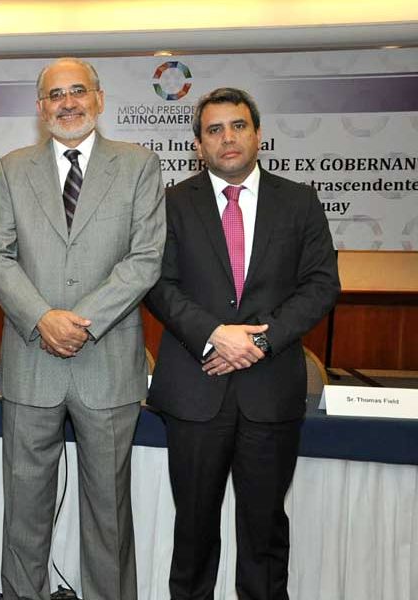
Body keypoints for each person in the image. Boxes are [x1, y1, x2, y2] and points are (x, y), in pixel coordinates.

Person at [0, 57, 165, 600]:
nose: (67, 103)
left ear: (99, 99)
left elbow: (145, 259)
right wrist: (43, 317)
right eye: (55, 95)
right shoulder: (12, 169)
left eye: (77, 91)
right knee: (24, 512)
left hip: (107, 364)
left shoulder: (138, 166)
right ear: (40, 108)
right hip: (32, 361)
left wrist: (82, 322)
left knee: (109, 517)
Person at [145, 87, 339, 600]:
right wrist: (215, 334)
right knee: (193, 531)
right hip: (195, 390)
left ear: (258, 135)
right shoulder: (169, 204)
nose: (227, 138)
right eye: (214, 130)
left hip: (270, 389)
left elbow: (321, 285)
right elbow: (157, 284)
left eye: (238, 126)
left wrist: (262, 342)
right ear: (198, 144)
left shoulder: (299, 201)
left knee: (264, 533)